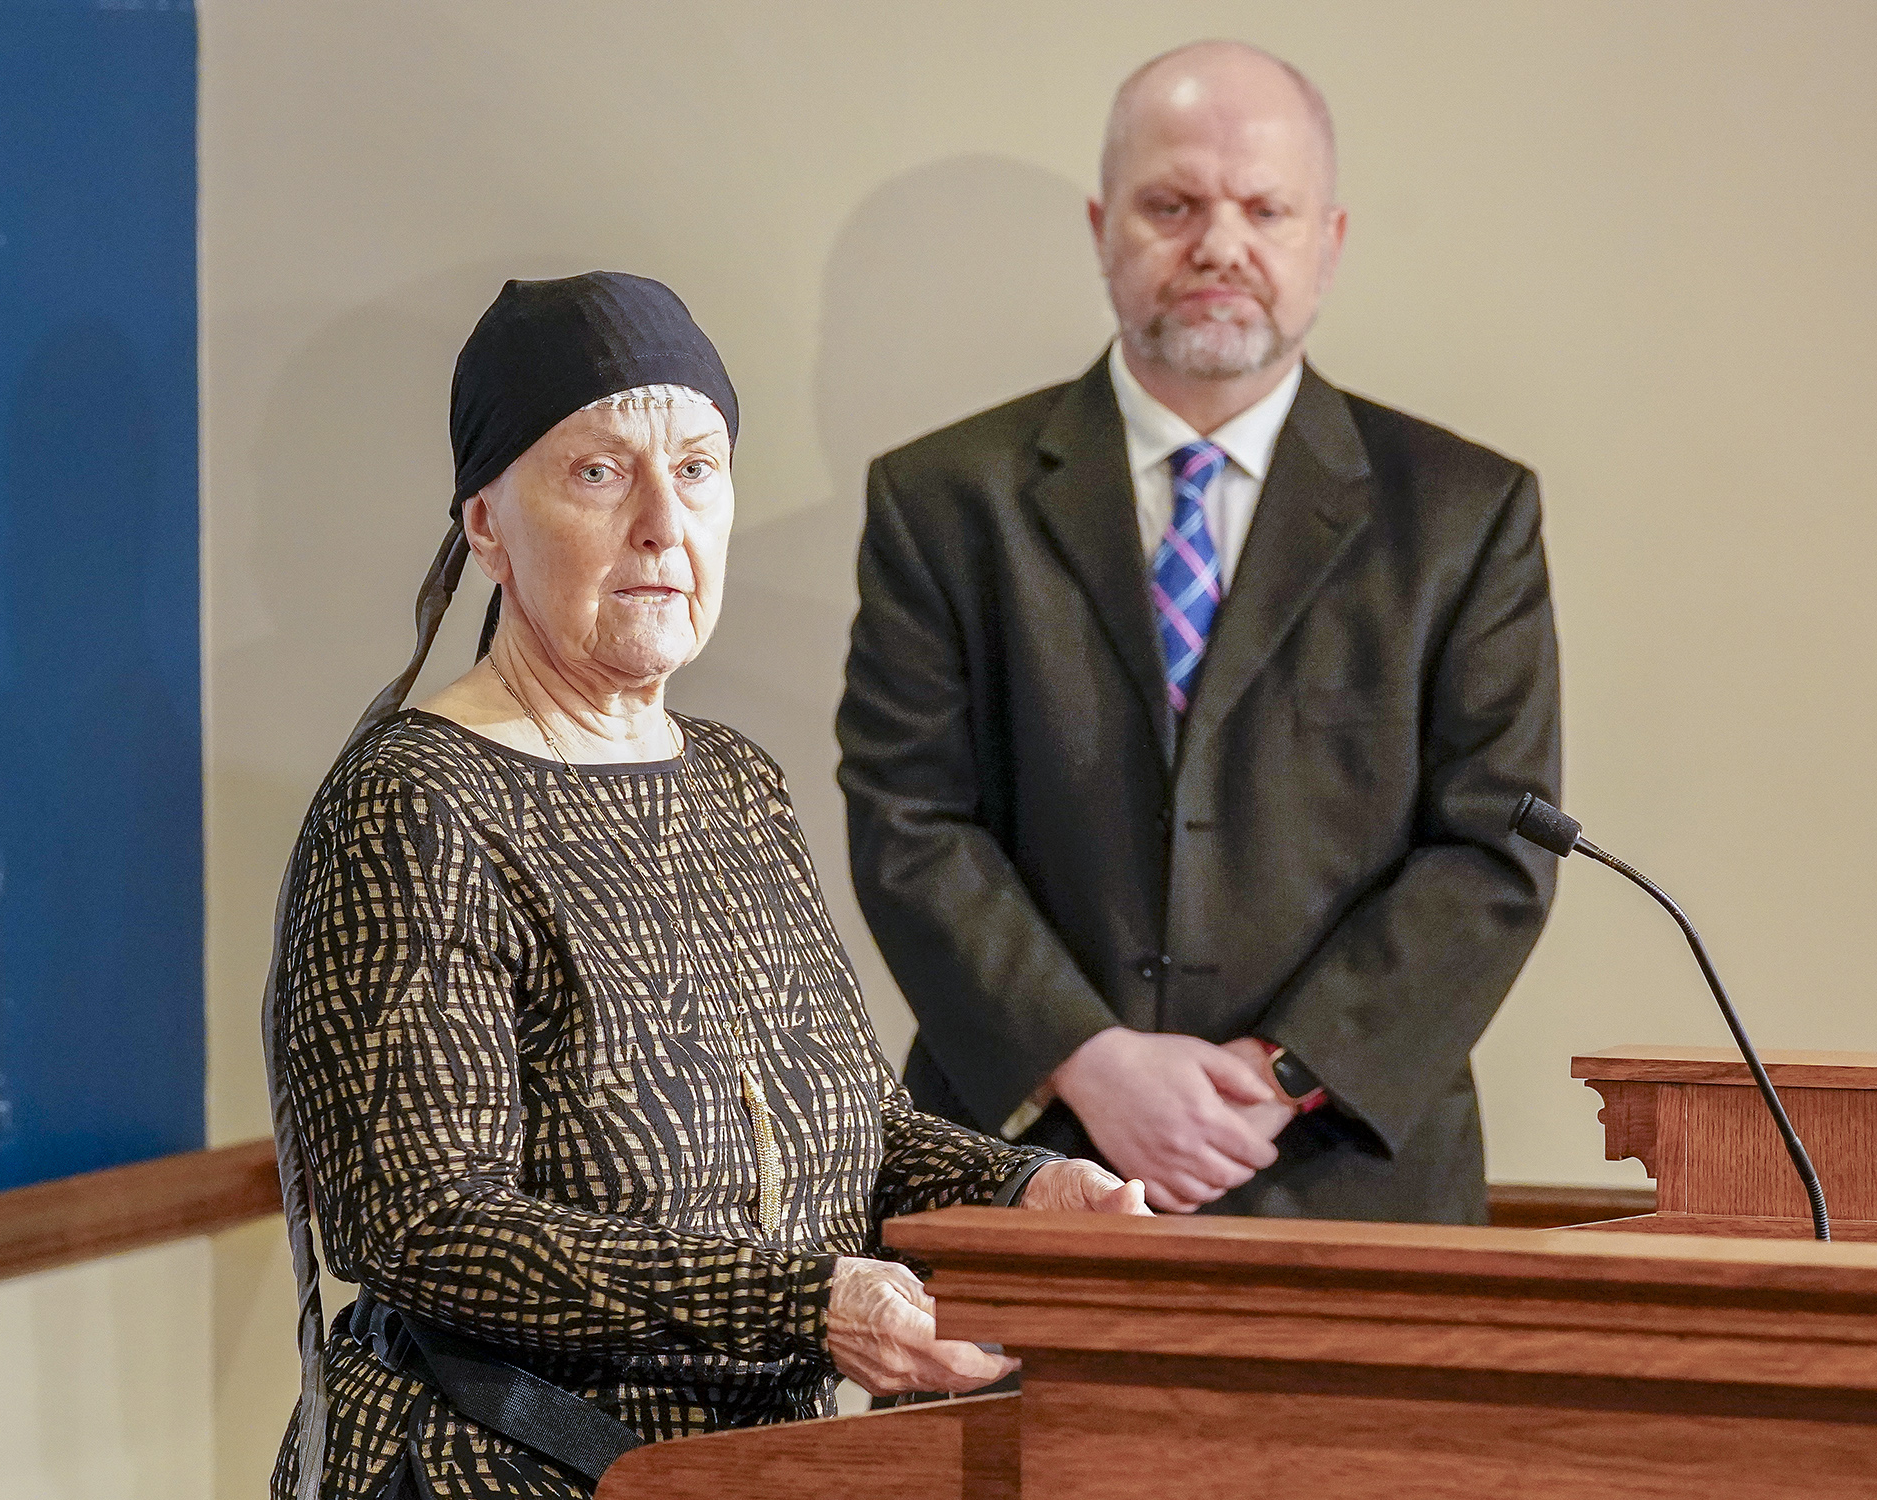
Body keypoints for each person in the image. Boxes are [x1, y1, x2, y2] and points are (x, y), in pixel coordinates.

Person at [262, 272, 1145, 1500]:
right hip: (498, 1468)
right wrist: (804, 1300)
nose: (660, 525)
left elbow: (858, 1135)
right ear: (483, 525)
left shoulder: (735, 782)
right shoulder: (416, 803)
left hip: (756, 1467)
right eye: (596, 472)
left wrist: (1029, 1190)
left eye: (696, 469)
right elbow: (422, 1225)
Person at [837, 42, 1561, 1225]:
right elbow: (908, 816)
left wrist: (1282, 1074)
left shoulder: (1466, 514)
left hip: (1351, 1186)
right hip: (1028, 1174)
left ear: (1326, 240)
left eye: (1264, 209)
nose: (1219, 246)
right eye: (1172, 205)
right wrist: (1092, 1060)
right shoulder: (942, 501)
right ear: (1102, 226)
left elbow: (1495, 846)